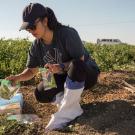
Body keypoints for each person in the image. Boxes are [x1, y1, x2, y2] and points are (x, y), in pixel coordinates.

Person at [6, 3, 100, 131]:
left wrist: (60, 66)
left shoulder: (67, 34)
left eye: (33, 27)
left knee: (76, 65)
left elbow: (80, 61)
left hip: (85, 74)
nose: (31, 31)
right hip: (64, 77)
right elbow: (32, 70)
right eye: (28, 29)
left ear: (45, 21)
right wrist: (17, 78)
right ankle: (66, 103)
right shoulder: (36, 46)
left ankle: (66, 113)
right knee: (40, 92)